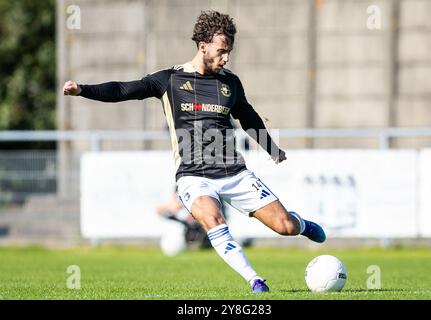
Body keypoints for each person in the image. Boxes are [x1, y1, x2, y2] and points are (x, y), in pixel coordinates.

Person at [63, 10, 326, 294]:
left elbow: (248, 117)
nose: (226, 58)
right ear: (203, 46)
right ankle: (255, 280)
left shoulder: (230, 83)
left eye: (229, 52)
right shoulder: (170, 80)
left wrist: (272, 150)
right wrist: (82, 90)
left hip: (234, 173)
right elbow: (123, 89)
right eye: (222, 51)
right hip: (193, 176)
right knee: (212, 218)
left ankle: (300, 224)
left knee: (283, 226)